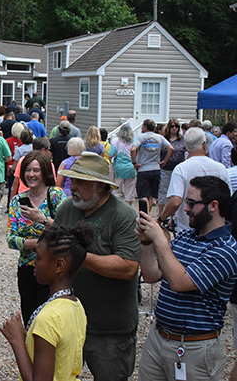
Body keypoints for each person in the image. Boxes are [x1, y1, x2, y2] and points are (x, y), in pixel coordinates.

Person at [137, 176, 237, 380]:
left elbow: (179, 282)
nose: (185, 209)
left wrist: (159, 239)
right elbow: (151, 275)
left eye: (191, 203)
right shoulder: (185, 237)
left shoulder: (225, 249)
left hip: (196, 349)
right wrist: (147, 243)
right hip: (158, 338)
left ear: (213, 206)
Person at [55, 152, 141, 380]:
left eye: (81, 182)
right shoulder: (66, 209)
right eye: (72, 180)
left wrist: (79, 255)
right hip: (69, 322)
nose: (73, 186)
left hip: (109, 328)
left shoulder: (123, 216)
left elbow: (128, 267)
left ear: (102, 187)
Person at [1, 222, 93, 381]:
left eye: (38, 257)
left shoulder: (48, 319)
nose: (33, 263)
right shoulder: (76, 306)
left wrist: (17, 342)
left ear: (58, 266)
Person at [7, 150, 66, 326]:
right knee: (30, 319)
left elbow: (66, 232)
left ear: (45, 172)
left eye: (36, 170)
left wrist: (42, 219)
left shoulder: (56, 196)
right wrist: (38, 243)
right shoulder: (18, 201)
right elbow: (11, 239)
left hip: (54, 268)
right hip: (27, 269)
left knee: (48, 321)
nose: (31, 175)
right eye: (27, 170)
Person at [158, 127, 230, 233]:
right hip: (215, 229)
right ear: (204, 144)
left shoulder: (181, 169)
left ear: (185, 147)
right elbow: (229, 199)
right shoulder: (220, 168)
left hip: (187, 230)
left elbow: (175, 202)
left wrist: (161, 218)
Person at [131, 119, 174, 208]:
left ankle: (143, 215)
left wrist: (134, 162)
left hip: (144, 169)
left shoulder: (141, 137)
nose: (142, 128)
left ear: (146, 127)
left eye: (142, 126)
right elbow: (171, 148)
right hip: (156, 169)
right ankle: (147, 216)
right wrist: (164, 161)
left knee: (143, 196)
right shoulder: (160, 137)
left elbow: (133, 149)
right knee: (151, 196)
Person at [158, 119, 185, 214]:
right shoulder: (164, 139)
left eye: (176, 126)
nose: (174, 128)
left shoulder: (182, 139)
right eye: (172, 126)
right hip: (166, 168)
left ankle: (174, 214)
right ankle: (161, 212)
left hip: (178, 168)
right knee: (163, 190)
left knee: (176, 191)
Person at [109, 124, 137, 205]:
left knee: (116, 190)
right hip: (131, 168)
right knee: (129, 192)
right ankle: (128, 208)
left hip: (119, 169)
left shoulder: (116, 141)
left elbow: (111, 154)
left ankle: (117, 208)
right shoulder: (134, 141)